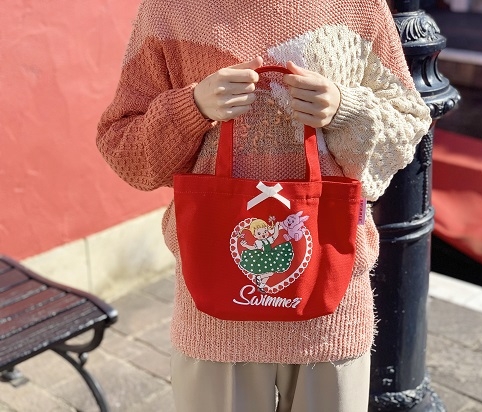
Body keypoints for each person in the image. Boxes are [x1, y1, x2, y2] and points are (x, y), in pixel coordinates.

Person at [96, 0, 432, 411]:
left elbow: (408, 118)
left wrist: (346, 110)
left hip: (330, 303)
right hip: (213, 310)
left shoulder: (359, 6)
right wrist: (193, 107)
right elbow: (124, 148)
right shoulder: (169, 10)